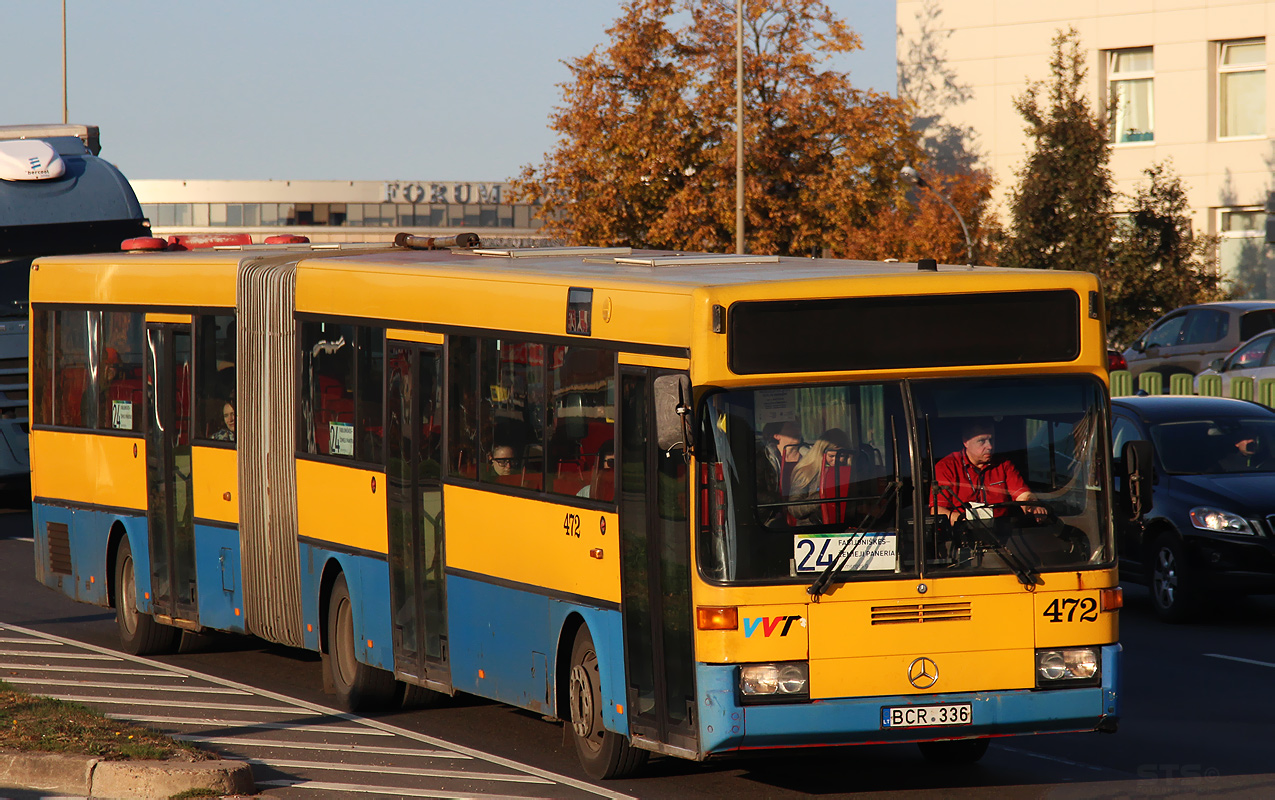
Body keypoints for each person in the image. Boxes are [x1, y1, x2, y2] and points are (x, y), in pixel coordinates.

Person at [931, 420, 1046, 524]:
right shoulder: (946, 467)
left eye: (991, 440)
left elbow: (1023, 495)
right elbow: (938, 511)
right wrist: (966, 522)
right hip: (962, 534)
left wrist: (1032, 505)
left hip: (1002, 532)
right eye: (982, 441)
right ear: (965, 441)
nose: (990, 446)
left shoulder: (1004, 465)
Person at [786, 429, 852, 523]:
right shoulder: (806, 472)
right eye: (831, 456)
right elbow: (794, 509)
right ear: (821, 454)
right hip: (812, 528)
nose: (835, 460)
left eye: (840, 456)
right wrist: (823, 495)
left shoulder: (853, 472)